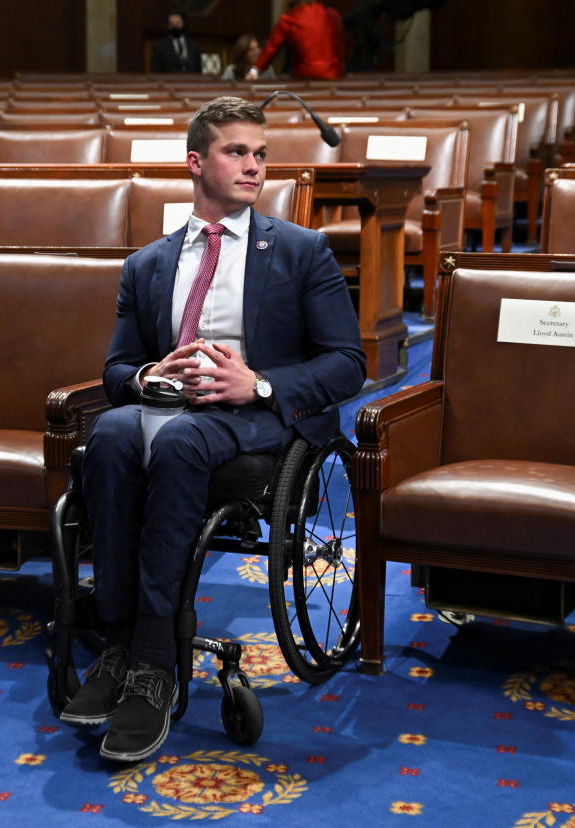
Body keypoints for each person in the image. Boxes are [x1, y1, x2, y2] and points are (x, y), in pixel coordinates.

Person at [60, 96, 366, 763]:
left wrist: (256, 382)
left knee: (174, 441)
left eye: (261, 154)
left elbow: (349, 364)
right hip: (171, 409)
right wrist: (146, 377)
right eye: (237, 152)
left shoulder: (301, 251)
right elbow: (116, 366)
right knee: (110, 434)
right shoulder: (148, 264)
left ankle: (151, 665)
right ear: (196, 162)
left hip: (258, 420)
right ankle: (115, 639)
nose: (254, 166)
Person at [244, 0, 346, 81]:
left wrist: (255, 70)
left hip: (305, 76)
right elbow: (341, 46)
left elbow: (272, 47)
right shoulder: (334, 15)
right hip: (335, 75)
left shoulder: (289, 18)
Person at [150, 9, 203, 74]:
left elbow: (199, 72)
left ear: (184, 23)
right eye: (172, 23)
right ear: (168, 25)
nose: (175, 26)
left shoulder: (194, 47)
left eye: (177, 23)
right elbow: (155, 72)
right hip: (168, 82)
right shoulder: (160, 47)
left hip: (190, 82)